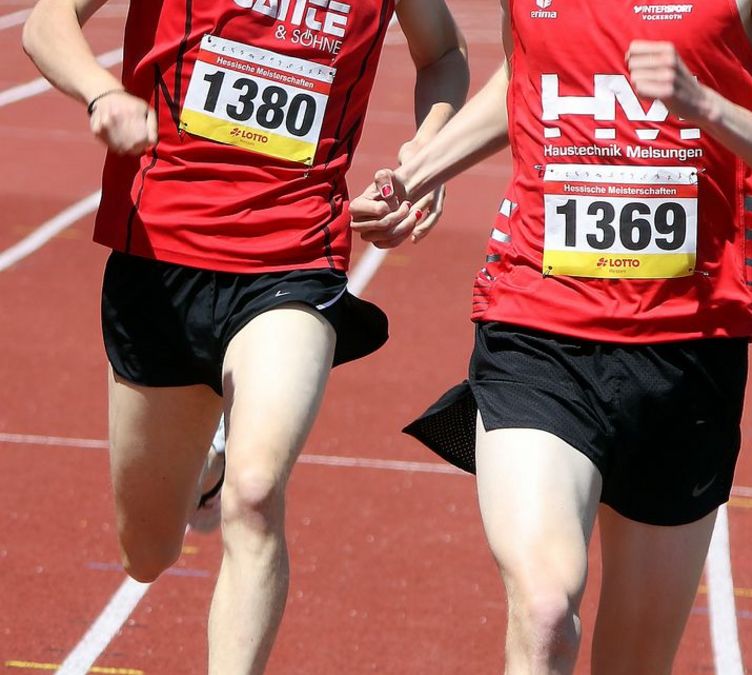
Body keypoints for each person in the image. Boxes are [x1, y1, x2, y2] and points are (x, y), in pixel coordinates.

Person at [350, 0, 752, 670]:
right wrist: (418, 174)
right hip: (536, 326)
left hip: (689, 348)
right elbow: (523, 75)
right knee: (546, 609)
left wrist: (707, 103)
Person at [22, 0, 466, 670]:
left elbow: (444, 56)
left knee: (257, 492)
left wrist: (428, 154)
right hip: (160, 260)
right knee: (146, 552)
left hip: (293, 258)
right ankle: (206, 471)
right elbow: (44, 23)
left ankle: (234, 470)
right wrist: (102, 91)